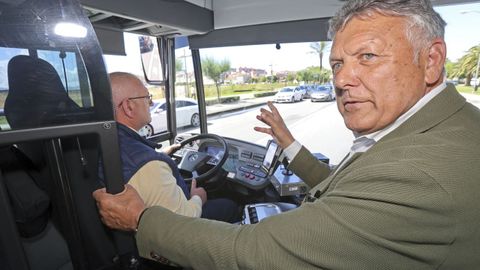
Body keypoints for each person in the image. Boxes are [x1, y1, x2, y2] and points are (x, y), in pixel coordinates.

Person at [93, 1, 480, 269]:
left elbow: (253, 252)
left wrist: (142, 220)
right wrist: (288, 142)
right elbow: (346, 189)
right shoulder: (441, 130)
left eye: (368, 56)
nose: (342, 78)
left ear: (430, 61)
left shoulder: (421, 169)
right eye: (338, 64)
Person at [104, 72, 238, 222]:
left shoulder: (111, 141)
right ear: (129, 106)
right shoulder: (149, 165)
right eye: (147, 97)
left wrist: (163, 155)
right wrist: (197, 198)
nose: (151, 103)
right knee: (229, 206)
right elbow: (183, 221)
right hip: (186, 227)